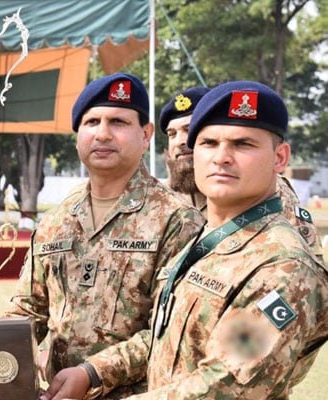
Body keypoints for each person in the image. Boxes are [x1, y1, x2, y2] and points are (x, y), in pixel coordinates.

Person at [42, 81, 328, 399]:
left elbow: (225, 382)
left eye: (243, 144)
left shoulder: (283, 266)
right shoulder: (210, 242)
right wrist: (93, 371)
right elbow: (164, 336)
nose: (222, 157)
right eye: (208, 143)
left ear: (279, 157)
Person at [8, 73, 204, 398]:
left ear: (145, 135)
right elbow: (28, 310)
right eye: (91, 122)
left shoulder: (177, 220)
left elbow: (171, 330)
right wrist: (0, 355)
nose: (102, 133)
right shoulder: (58, 219)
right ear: (78, 137)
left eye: (118, 122)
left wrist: (93, 373)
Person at [160, 86, 323, 258]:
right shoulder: (166, 196)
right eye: (172, 134)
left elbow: (299, 256)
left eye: (188, 130)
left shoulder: (271, 192)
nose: (179, 141)